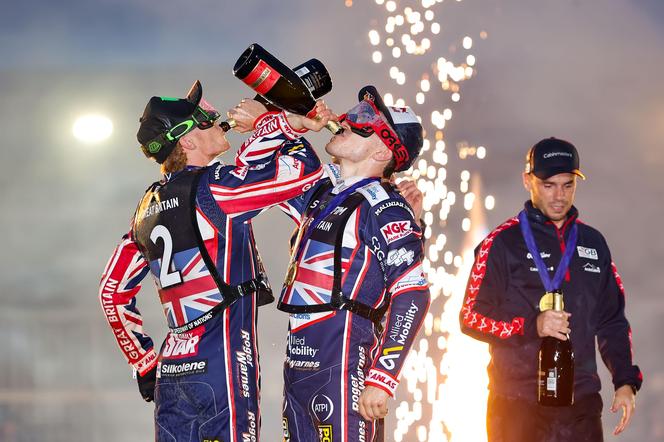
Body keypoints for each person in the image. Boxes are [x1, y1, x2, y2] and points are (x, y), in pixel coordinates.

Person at [98, 80, 331, 441]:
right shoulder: (214, 186)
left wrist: (144, 363)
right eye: (204, 121)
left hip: (173, 370)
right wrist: (272, 123)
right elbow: (303, 173)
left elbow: (110, 292)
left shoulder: (144, 208)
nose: (216, 120)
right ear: (187, 141)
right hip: (219, 365)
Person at [232, 85, 431, 441]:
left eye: (365, 120)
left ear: (384, 148)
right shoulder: (322, 190)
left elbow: (413, 293)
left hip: (343, 357)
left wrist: (382, 379)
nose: (348, 119)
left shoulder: (386, 206)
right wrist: (283, 122)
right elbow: (252, 166)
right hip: (299, 360)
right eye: (355, 112)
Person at [459, 137, 643, 441]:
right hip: (517, 406)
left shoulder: (593, 244)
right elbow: (470, 317)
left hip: (581, 405)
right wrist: (532, 326)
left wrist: (624, 381)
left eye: (567, 184)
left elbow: (612, 320)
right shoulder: (501, 243)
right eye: (548, 185)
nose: (559, 196)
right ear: (527, 181)